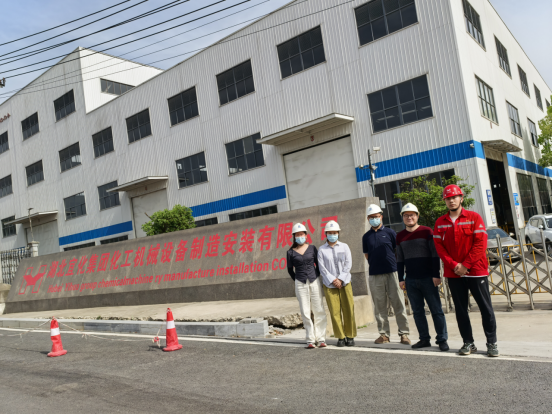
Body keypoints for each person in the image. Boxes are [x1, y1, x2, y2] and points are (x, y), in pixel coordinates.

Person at [433, 184, 498, 357]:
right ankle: (468, 342)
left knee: (485, 308)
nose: (451, 201)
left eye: (454, 197)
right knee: (461, 310)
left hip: (476, 271)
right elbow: (439, 248)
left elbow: (480, 244)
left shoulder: (474, 217)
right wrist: (455, 265)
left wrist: (466, 265)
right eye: (448, 198)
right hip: (454, 273)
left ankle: (492, 343)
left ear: (461, 198)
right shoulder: (440, 223)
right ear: (445, 201)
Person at [396, 203, 449, 351]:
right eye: (406, 215)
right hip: (411, 280)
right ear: (403, 217)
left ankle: (442, 339)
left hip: (428, 278)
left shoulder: (427, 231)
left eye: (412, 215)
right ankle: (424, 339)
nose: (409, 217)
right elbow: (399, 259)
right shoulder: (400, 236)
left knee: (436, 310)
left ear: (417, 216)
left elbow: (434, 254)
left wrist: (436, 274)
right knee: (418, 312)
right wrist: (401, 278)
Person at [362, 204, 410, 345]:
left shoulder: (390, 232)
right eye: (371, 217)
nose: (374, 219)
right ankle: (384, 335)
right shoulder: (366, 237)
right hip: (375, 274)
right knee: (379, 306)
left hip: (393, 272)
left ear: (381, 217)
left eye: (376, 216)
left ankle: (404, 334)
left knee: (398, 303)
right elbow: (367, 255)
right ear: (368, 219)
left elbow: (397, 252)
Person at [287, 223, 328, 349]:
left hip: (314, 280)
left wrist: (315, 276)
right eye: (297, 235)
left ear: (306, 235)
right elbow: (290, 270)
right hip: (300, 282)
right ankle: (310, 339)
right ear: (294, 237)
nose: (300, 237)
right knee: (305, 311)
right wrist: (298, 280)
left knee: (318, 308)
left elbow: (318, 264)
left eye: (302, 234)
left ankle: (321, 338)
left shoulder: (312, 248)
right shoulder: (290, 252)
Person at [317, 220, 357, 347]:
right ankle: (340, 336)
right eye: (330, 233)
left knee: (348, 309)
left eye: (334, 233)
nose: (332, 235)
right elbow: (322, 268)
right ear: (326, 234)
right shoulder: (322, 250)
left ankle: (350, 335)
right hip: (329, 285)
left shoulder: (345, 247)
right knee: (334, 311)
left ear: (338, 233)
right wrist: (333, 280)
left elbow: (348, 264)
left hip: (345, 283)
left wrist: (340, 279)